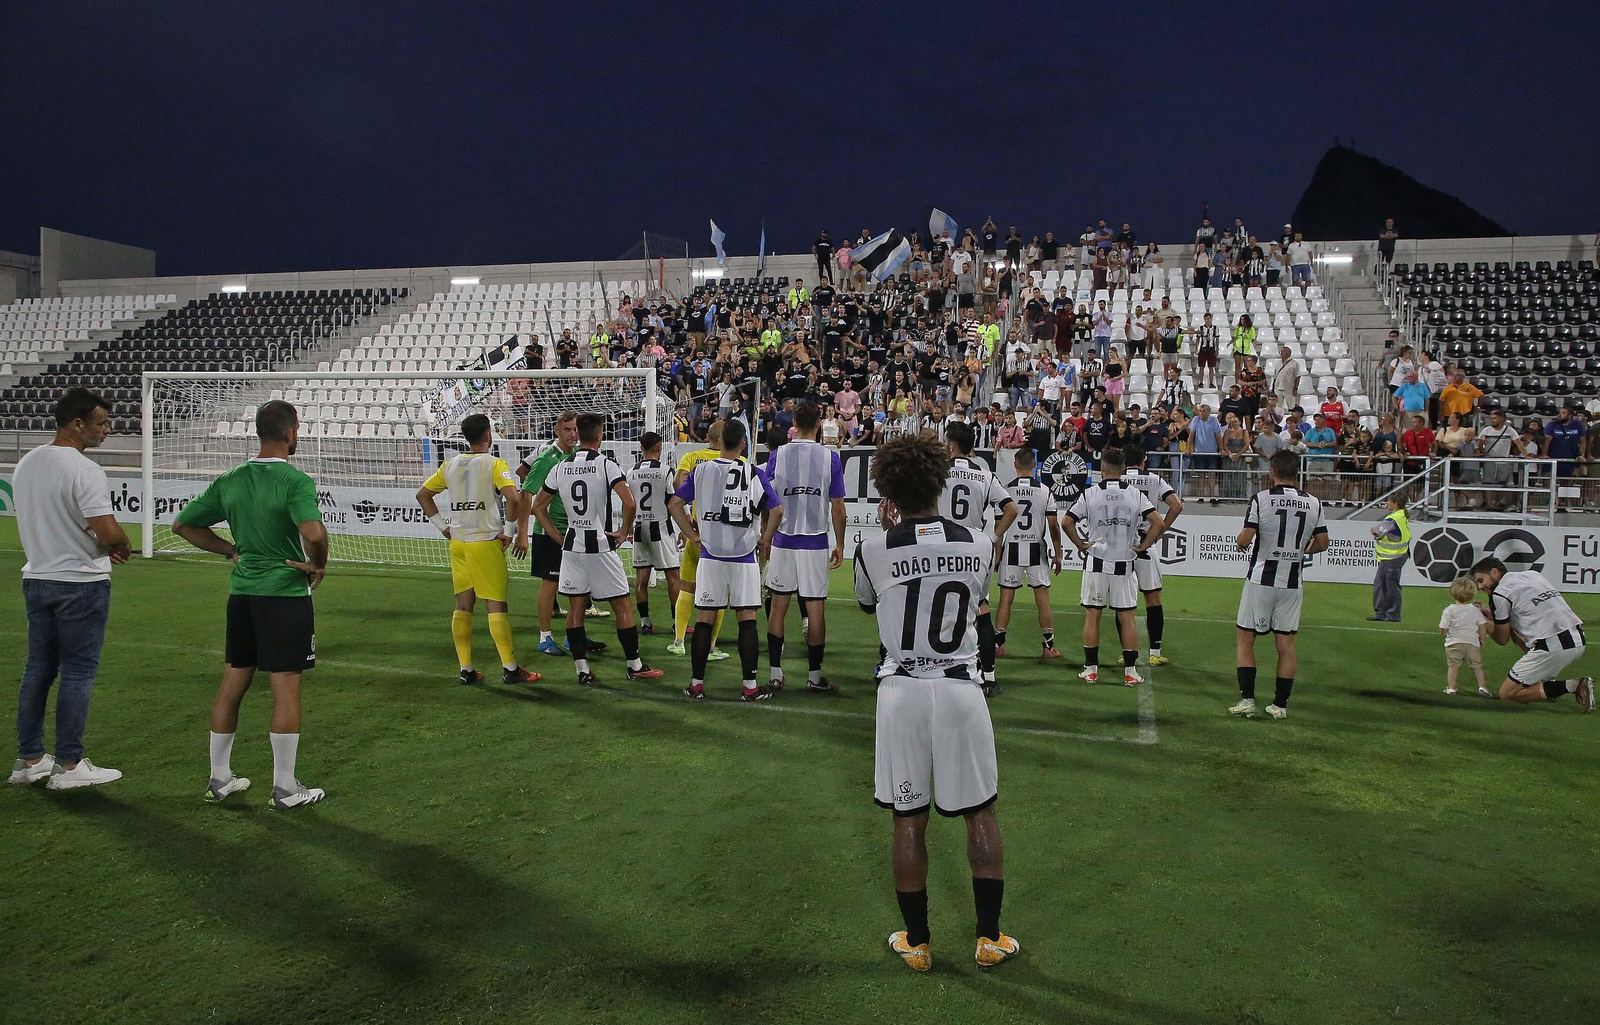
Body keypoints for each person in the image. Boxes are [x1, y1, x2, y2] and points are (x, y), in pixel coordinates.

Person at [853, 433, 1016, 972]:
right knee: (980, 814)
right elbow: (973, 597)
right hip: (960, 689)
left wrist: (890, 533)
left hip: (900, 691)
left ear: (887, 492)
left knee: (908, 819)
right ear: (940, 483)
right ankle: (989, 938)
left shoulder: (873, 548)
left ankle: (918, 942)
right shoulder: (979, 544)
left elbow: (867, 601)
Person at [172, 400, 329, 808]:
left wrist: (230, 551)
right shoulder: (295, 481)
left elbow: (182, 525)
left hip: (242, 596)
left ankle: (219, 778)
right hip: (283, 597)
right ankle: (285, 787)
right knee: (286, 689)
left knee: (232, 685)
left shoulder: (231, 479)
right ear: (290, 433)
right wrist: (318, 563)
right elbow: (313, 533)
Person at [9, 388, 129, 790]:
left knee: (38, 670)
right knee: (77, 672)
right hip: (79, 582)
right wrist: (121, 544)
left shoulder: (28, 462)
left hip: (37, 577)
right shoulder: (84, 469)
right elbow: (108, 533)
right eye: (102, 423)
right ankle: (70, 765)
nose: (107, 430)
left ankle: (30, 760)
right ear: (77, 424)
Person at [531, 413, 663, 686]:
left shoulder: (561, 466)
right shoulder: (606, 465)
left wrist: (558, 537)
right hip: (599, 546)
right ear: (600, 436)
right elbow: (630, 503)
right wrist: (624, 531)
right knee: (622, 605)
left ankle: (582, 670)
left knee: (575, 607)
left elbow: (538, 507)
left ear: (578, 434)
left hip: (572, 546)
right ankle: (635, 666)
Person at [417, 413, 541, 686]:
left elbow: (423, 495)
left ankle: (466, 670)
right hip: (484, 543)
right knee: (496, 605)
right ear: (488, 435)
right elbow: (513, 498)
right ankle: (510, 669)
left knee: (463, 605)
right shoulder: (494, 463)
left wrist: (443, 527)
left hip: (459, 543)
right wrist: (509, 532)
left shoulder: (450, 464)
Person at [669, 418, 783, 701]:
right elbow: (777, 510)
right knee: (747, 619)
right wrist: (766, 538)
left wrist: (691, 535)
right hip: (743, 556)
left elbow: (674, 504)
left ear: (720, 441)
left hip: (710, 555)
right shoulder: (753, 472)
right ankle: (749, 687)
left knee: (704, 618)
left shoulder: (701, 470)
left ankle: (696, 684)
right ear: (743, 443)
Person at [1229, 451, 1329, 720]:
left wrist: (1239, 543)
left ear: (1271, 470)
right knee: (1286, 645)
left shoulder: (1261, 499)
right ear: (1297, 473)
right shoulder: (1314, 503)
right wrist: (1299, 551)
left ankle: (1247, 700)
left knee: (1245, 638)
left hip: (1262, 579)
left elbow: (1246, 538)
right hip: (1292, 582)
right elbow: (1323, 543)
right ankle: (1280, 705)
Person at [1061, 447, 1165, 686]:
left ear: (1102, 468)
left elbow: (1067, 522)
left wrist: (1080, 544)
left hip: (1097, 561)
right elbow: (1158, 523)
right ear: (1123, 468)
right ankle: (1130, 672)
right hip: (1124, 563)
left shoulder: (1090, 493)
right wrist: (1143, 545)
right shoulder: (1135, 494)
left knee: (1092, 616)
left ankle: (1091, 670)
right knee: (1127, 617)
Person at [765, 402, 847, 692]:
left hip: (784, 540)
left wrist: (766, 536)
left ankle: (775, 674)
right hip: (814, 542)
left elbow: (768, 500)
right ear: (819, 425)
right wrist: (840, 544)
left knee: (778, 607)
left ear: (794, 424)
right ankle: (813, 677)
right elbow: (838, 507)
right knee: (815, 609)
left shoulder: (777, 456)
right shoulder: (830, 458)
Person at [514, 412, 606, 657]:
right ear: (556, 431)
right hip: (549, 533)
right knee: (550, 584)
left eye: (575, 429)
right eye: (566, 429)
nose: (572, 434)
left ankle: (574, 635)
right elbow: (526, 494)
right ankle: (545, 638)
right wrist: (522, 533)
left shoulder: (576, 457)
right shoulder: (547, 459)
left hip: (573, 532)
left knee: (581, 583)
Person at [937, 422, 1017, 694]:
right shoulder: (985, 475)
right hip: (974, 549)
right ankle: (989, 677)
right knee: (981, 609)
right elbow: (1011, 509)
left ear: (951, 446)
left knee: (936, 604)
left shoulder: (938, 472)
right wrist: (993, 538)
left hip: (941, 546)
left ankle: (940, 667)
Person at [1472, 558, 1593, 711]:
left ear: (1494, 572)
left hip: (1554, 646)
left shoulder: (1500, 593)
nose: (1480, 586)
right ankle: (1546, 679)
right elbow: (1530, 609)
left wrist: (1483, 623)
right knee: (1525, 640)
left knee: (1508, 694)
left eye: (1481, 580)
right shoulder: (1532, 575)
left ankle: (1573, 685)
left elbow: (1502, 638)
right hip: (1577, 638)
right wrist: (1495, 617)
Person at [666, 419, 729, 659]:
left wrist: (690, 509)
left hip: (697, 532)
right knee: (718, 592)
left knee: (687, 587)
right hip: (721, 536)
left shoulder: (693, 457)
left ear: (708, 437)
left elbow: (678, 481)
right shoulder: (736, 461)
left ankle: (679, 641)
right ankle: (711, 647)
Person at [993, 448, 1063, 660]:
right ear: (1035, 465)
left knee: (1006, 598)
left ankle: (998, 645)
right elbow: (1053, 526)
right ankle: (1048, 647)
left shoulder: (1005, 491)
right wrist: (1058, 553)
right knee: (1042, 599)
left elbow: (999, 527)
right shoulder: (1045, 491)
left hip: (1012, 548)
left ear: (1015, 464)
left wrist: (997, 555)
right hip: (1036, 550)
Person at [1122, 444, 1184, 665]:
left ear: (1124, 462)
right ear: (1143, 461)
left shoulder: (1118, 480)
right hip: (1146, 544)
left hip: (1122, 546)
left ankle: (1126, 652)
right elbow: (1176, 505)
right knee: (1153, 598)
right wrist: (1159, 530)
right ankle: (1155, 652)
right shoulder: (1154, 479)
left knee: (1123, 602)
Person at [625, 432, 683, 636]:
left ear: (641, 448)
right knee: (673, 576)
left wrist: (626, 527)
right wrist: (685, 527)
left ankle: (645, 622)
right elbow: (674, 502)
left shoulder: (631, 472)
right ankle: (677, 623)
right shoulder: (666, 471)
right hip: (660, 528)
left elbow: (629, 503)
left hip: (639, 528)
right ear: (659, 448)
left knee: (641, 577)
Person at [1439, 575, 1492, 697]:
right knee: (1477, 666)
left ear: (1453, 594)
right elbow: (1482, 626)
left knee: (1453, 666)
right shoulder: (1475, 610)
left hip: (1454, 643)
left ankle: (1451, 688)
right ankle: (1483, 687)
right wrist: (1482, 639)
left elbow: (1443, 627)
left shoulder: (1449, 610)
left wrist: (1444, 635)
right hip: (1472, 643)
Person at [1367, 494, 1411, 623]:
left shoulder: (1393, 518)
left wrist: (1378, 534)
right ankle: (1384, 613)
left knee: (1388, 586)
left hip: (1392, 557)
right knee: (1383, 585)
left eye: (1389, 501)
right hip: (1397, 555)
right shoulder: (1402, 515)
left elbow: (1374, 531)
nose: (1387, 503)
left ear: (1395, 503)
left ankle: (1391, 614)